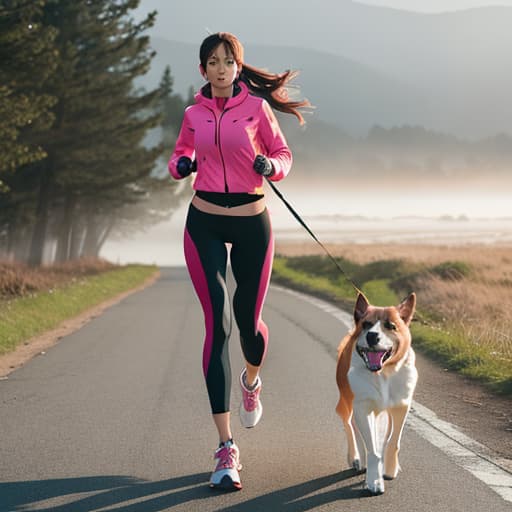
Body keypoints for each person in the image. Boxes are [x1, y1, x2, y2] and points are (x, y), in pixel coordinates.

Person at [168, 32, 309, 491]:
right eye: (213, 62)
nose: (222, 68)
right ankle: (226, 447)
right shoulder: (193, 113)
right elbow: (179, 155)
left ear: (238, 67)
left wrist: (272, 167)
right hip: (204, 221)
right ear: (203, 70)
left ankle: (251, 380)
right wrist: (183, 166)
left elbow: (284, 154)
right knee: (219, 323)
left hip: (252, 220)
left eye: (229, 61)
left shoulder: (256, 110)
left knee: (248, 325)